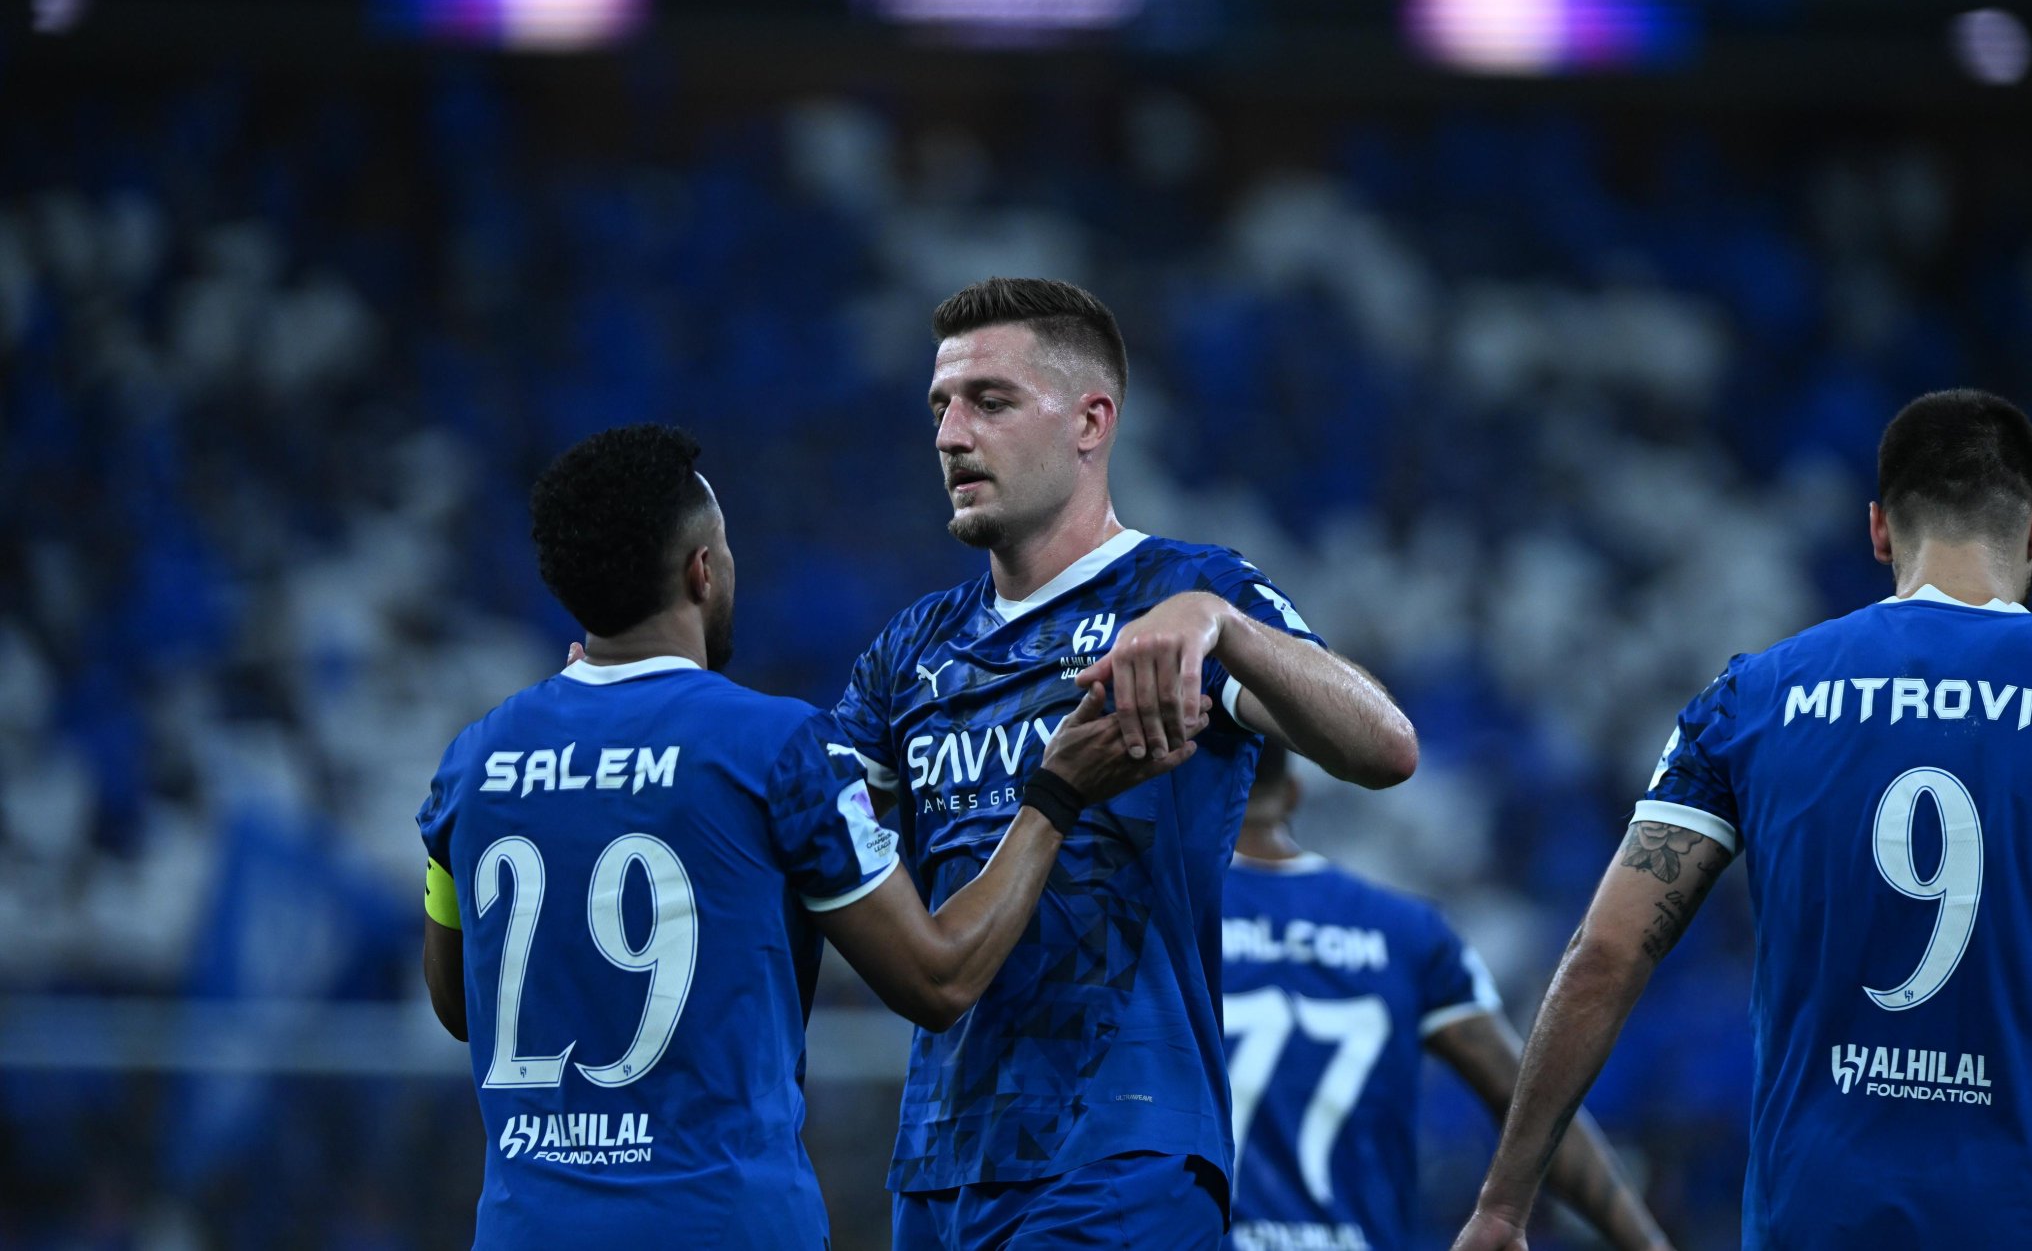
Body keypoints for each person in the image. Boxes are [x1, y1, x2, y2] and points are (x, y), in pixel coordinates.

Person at [416, 424, 1205, 1250]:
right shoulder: (774, 748)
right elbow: (937, 978)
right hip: (723, 1226)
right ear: (701, 570)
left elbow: (458, 1003)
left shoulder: (472, 762)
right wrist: (1055, 793)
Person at [832, 277, 1420, 1250]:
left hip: (1119, 1144)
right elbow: (802, 828)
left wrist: (1226, 627)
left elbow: (1383, 746)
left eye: (989, 401)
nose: (950, 435)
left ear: (1090, 421)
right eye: (940, 406)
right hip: (937, 1162)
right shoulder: (911, 650)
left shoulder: (1184, 588)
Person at [1453, 388, 2032, 1250]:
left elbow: (1605, 954)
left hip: (1813, 1219)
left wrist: (1504, 1204)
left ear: (1879, 530)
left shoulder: (1754, 696)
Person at [1224, 742, 1672, 1251]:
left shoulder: (1165, 919)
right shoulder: (1408, 931)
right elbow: (1530, 1099)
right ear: (1292, 794)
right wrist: (1649, 1245)